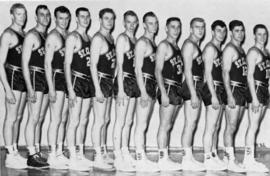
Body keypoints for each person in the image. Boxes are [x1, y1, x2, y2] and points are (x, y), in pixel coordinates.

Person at [64, 7, 93, 171]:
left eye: (88, 17)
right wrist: (70, 88)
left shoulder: (88, 37)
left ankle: (80, 154)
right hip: (76, 81)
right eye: (82, 17)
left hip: (87, 82)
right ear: (76, 18)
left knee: (83, 120)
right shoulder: (73, 37)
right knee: (74, 121)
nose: (85, 19)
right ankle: (72, 157)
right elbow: (66, 64)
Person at [22, 4, 50, 168]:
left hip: (45, 78)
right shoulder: (31, 35)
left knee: (39, 118)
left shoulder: (46, 36)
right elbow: (24, 63)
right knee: (33, 117)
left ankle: (36, 151)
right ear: (36, 17)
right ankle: (31, 155)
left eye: (47, 15)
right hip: (34, 77)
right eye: (42, 15)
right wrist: (30, 88)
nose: (45, 18)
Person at [0, 3, 27, 169]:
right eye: (18, 14)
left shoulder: (24, 34)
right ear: (12, 15)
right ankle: (9, 154)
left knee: (17, 117)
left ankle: (15, 150)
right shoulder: (8, 34)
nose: (22, 17)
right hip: (12, 77)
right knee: (11, 117)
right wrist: (7, 89)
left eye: (24, 14)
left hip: (23, 78)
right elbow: (0, 63)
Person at [112, 10, 139, 172]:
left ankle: (124, 150)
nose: (132, 25)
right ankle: (117, 156)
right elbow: (120, 65)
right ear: (124, 23)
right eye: (129, 22)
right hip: (124, 81)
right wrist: (121, 89)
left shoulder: (135, 39)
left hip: (134, 81)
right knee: (120, 121)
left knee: (129, 121)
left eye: (134, 22)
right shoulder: (122, 38)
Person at [155, 17, 183, 171]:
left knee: (169, 125)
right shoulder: (164, 45)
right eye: (173, 27)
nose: (176, 30)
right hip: (167, 88)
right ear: (166, 28)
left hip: (176, 88)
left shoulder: (176, 47)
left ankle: (165, 156)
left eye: (178, 27)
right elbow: (158, 70)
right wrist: (164, 93)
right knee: (164, 125)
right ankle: (161, 159)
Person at [44, 6, 70, 169]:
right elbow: (47, 64)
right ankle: (52, 154)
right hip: (56, 78)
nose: (64, 21)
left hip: (66, 79)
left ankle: (59, 151)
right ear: (55, 19)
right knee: (55, 118)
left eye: (67, 18)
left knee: (64, 118)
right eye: (61, 18)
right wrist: (51, 89)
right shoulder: (53, 36)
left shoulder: (68, 35)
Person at [222, 20, 250, 172]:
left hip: (241, 91)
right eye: (237, 31)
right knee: (230, 125)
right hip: (232, 90)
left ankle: (228, 158)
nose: (240, 33)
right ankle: (231, 160)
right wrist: (229, 95)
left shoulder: (241, 49)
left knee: (234, 126)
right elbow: (225, 72)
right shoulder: (229, 49)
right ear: (231, 32)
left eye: (242, 30)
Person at [90, 8, 116, 171]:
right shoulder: (98, 39)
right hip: (99, 80)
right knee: (99, 120)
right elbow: (92, 65)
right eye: (106, 18)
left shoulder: (110, 37)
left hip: (107, 80)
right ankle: (97, 157)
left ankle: (104, 151)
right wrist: (98, 89)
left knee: (106, 119)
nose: (109, 21)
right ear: (100, 19)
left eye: (112, 19)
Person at [134, 11, 160, 172]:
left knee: (144, 123)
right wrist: (143, 92)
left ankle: (141, 156)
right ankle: (139, 158)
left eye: (156, 23)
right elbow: (137, 69)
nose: (154, 26)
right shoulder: (142, 42)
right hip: (143, 84)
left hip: (151, 84)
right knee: (141, 124)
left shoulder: (153, 43)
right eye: (150, 23)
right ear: (144, 25)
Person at [243, 24, 270, 172]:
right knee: (252, 126)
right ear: (254, 36)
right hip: (256, 90)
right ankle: (248, 160)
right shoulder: (253, 52)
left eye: (265, 34)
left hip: (264, 89)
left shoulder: (265, 51)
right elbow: (249, 76)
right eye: (259, 34)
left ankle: (250, 158)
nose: (262, 37)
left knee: (256, 126)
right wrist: (254, 98)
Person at [201, 20, 227, 171]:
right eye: (218, 31)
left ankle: (214, 154)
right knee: (210, 127)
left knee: (216, 126)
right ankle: (207, 158)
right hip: (212, 89)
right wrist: (213, 95)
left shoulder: (220, 48)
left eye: (224, 31)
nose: (221, 34)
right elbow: (208, 74)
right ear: (212, 32)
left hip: (219, 88)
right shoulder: (210, 48)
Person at [180, 17, 206, 171]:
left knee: (192, 123)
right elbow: (187, 71)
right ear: (190, 29)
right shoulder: (189, 45)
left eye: (202, 27)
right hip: (192, 86)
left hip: (197, 85)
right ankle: (186, 159)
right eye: (197, 27)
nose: (200, 30)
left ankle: (189, 157)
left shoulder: (196, 44)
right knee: (190, 123)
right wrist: (193, 93)